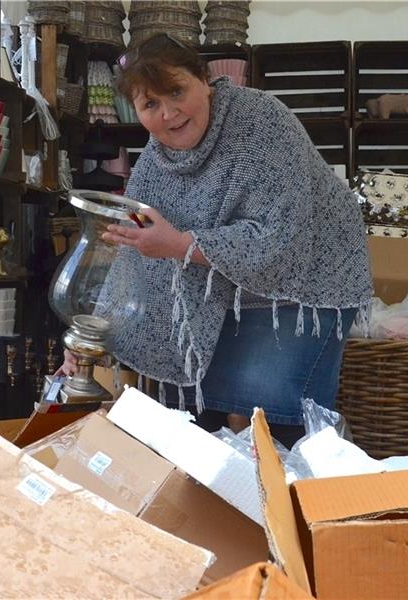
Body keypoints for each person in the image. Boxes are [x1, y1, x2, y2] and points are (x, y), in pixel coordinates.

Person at [60, 33, 372, 446]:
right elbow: (137, 262)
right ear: (135, 111)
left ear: (203, 80)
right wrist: (97, 333)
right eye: (150, 104)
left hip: (311, 277)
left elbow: (283, 239)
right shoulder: (153, 164)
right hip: (223, 282)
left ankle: (287, 504)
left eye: (176, 91)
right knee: (193, 417)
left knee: (280, 422)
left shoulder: (262, 121)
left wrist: (180, 245)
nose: (169, 113)